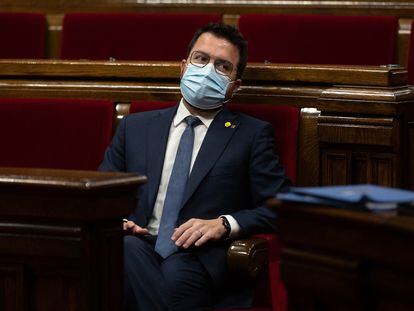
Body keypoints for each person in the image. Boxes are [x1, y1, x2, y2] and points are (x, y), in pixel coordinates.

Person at [99, 22, 290, 311]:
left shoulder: (251, 135)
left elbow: (280, 206)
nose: (208, 70)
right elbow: (102, 194)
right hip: (138, 245)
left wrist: (224, 224)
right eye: (201, 59)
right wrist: (118, 222)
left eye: (223, 66)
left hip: (200, 259)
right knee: (126, 250)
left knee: (166, 276)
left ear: (235, 85)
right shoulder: (136, 127)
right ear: (183, 66)